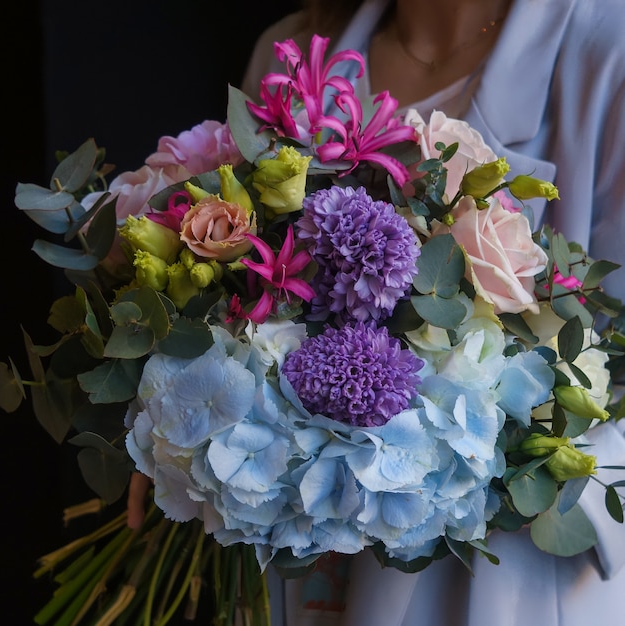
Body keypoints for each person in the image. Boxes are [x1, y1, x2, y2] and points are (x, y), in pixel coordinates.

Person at [240, 1, 625, 625]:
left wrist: (542, 481)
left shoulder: (608, 52)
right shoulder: (288, 51)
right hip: (294, 568)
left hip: (506, 583)